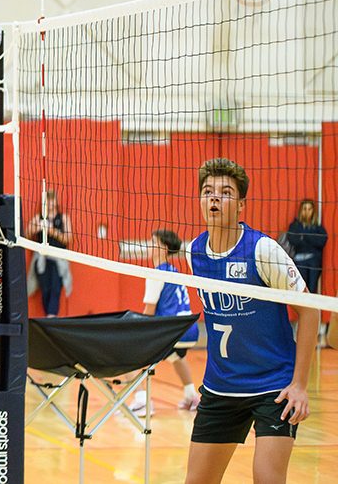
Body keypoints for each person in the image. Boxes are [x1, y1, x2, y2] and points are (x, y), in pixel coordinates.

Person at [184, 158, 319, 484]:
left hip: (273, 386)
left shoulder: (262, 250)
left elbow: (310, 310)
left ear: (241, 204)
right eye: (208, 191)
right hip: (221, 388)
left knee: (267, 478)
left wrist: (299, 384)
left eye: (225, 192)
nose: (214, 198)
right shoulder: (194, 252)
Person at [127, 229, 201, 417]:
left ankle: (142, 401)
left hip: (174, 329)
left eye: (152, 242)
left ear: (163, 247)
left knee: (128, 353)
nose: (148, 246)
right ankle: (192, 396)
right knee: (175, 356)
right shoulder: (174, 271)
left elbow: (149, 312)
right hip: (190, 329)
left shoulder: (156, 274)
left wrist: (133, 335)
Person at [24, 189, 72, 317]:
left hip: (58, 258)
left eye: (52, 199)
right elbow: (26, 235)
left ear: (56, 202)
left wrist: (51, 231)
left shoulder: (63, 218)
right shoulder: (38, 218)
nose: (50, 203)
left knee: (56, 288)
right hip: (42, 259)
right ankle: (48, 317)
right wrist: (37, 227)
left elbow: (68, 239)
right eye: (47, 200)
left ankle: (52, 317)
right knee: (45, 289)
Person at [285, 198, 327, 295]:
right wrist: (311, 238)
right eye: (304, 209)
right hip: (299, 261)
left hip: (313, 262)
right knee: (300, 291)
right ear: (301, 210)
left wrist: (303, 236)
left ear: (313, 211)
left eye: (309, 209)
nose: (307, 212)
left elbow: (321, 242)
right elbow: (293, 240)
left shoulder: (318, 228)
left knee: (312, 291)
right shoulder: (295, 226)